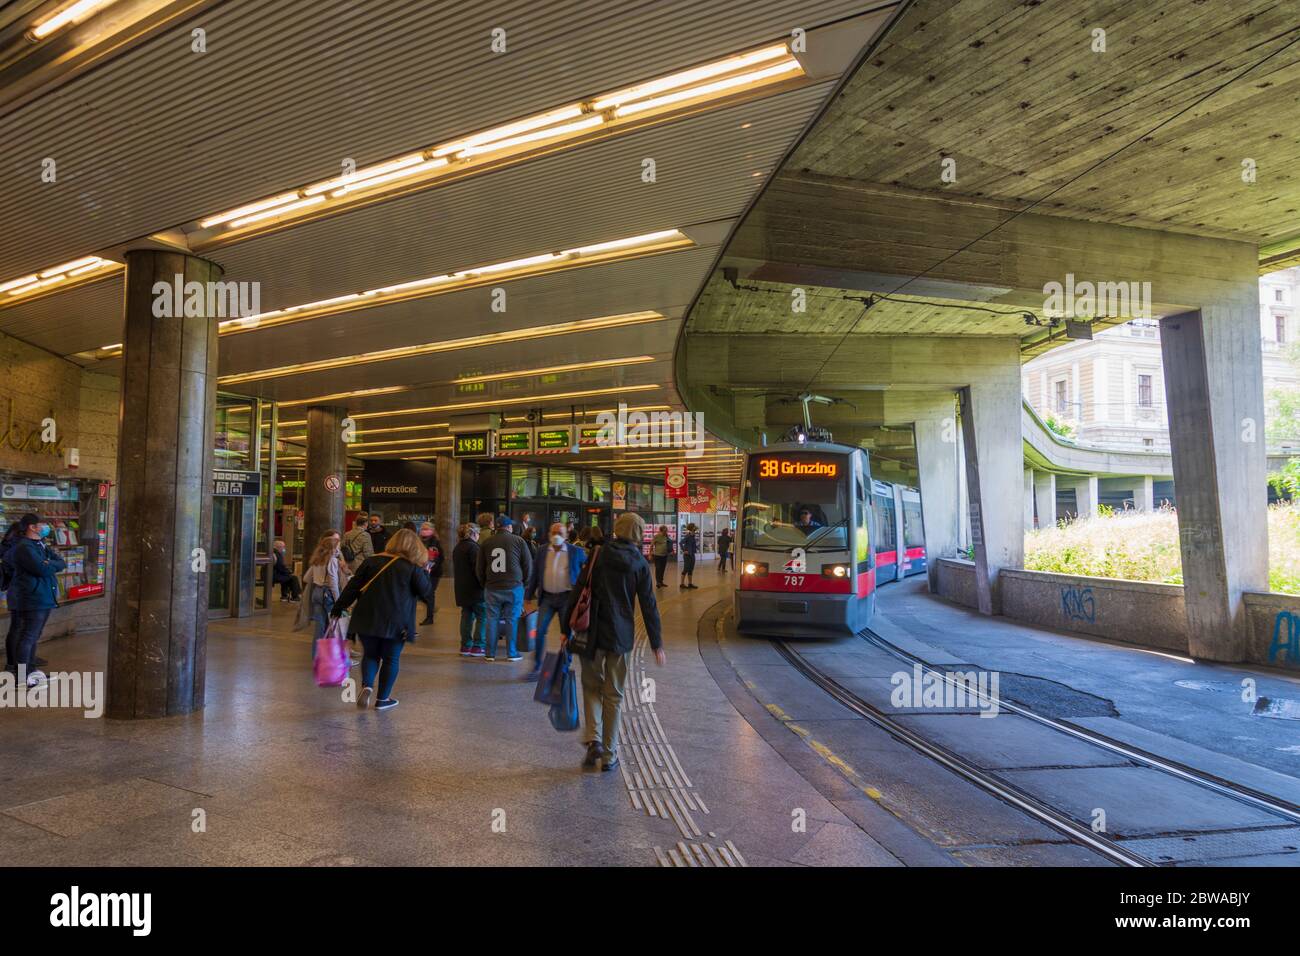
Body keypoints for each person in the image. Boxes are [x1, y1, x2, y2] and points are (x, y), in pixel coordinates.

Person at [566, 512, 664, 772]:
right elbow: (648, 605)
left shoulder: (598, 555)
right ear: (640, 534)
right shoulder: (640, 564)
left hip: (592, 633)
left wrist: (566, 626)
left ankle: (593, 740)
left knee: (591, 688)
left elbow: (578, 590)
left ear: (617, 529)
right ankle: (609, 756)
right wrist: (656, 642)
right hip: (620, 636)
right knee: (615, 695)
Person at [330, 528, 431, 711]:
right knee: (391, 659)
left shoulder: (371, 561)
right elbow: (425, 592)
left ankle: (367, 685)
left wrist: (338, 607)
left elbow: (353, 587)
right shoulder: (412, 567)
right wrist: (425, 572)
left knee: (370, 655)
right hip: (396, 620)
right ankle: (383, 699)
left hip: (367, 616)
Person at [3, 514, 66, 687]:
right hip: (32, 598)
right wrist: (48, 564)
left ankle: (31, 671)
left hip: (42, 596)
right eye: (42, 524)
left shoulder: (38, 544)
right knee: (28, 636)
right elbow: (41, 569)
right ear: (32, 527)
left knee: (33, 636)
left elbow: (60, 562)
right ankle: (22, 677)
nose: (45, 527)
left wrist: (49, 563)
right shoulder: (24, 547)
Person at [522, 522, 587, 681]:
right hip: (547, 599)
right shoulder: (543, 550)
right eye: (554, 532)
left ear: (566, 535)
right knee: (539, 631)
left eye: (560, 532)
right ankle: (537, 666)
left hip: (567, 599)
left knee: (566, 633)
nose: (556, 535)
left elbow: (587, 571)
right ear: (550, 534)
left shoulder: (576, 552)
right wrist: (528, 596)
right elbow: (536, 574)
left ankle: (564, 664)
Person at [475, 514, 533, 663]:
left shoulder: (486, 543)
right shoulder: (519, 541)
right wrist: (524, 584)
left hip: (492, 587)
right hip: (514, 586)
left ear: (497, 527)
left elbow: (479, 568)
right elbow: (528, 565)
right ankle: (512, 653)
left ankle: (490, 654)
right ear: (508, 527)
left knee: (491, 619)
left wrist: (485, 583)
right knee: (511, 620)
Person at [296, 530, 351, 656]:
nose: (339, 548)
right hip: (328, 594)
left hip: (317, 592)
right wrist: (339, 602)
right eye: (337, 545)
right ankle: (336, 657)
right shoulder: (332, 561)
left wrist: (318, 579)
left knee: (320, 626)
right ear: (332, 548)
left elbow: (305, 578)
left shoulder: (317, 560)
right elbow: (333, 583)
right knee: (335, 626)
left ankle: (317, 656)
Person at [453, 522, 486, 657]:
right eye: (478, 533)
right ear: (472, 533)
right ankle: (478, 646)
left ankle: (465, 645)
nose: (478, 535)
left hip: (462, 589)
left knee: (467, 616)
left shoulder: (458, 547)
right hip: (475, 589)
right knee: (482, 615)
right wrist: (484, 583)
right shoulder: (474, 548)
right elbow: (478, 570)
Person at [417, 521, 444, 625]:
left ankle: (429, 617)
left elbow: (435, 558)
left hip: (433, 572)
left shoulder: (434, 542)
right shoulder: (419, 540)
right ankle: (431, 607)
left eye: (426, 529)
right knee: (421, 594)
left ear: (432, 531)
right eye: (423, 528)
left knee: (429, 593)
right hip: (421, 570)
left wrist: (428, 569)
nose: (424, 531)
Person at [680, 523, 699, 589]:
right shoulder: (688, 536)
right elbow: (681, 543)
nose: (695, 529)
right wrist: (684, 550)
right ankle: (682, 584)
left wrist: (696, 547)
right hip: (687, 555)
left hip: (692, 554)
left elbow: (692, 544)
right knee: (686, 569)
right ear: (692, 528)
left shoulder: (693, 536)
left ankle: (690, 583)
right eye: (694, 528)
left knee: (691, 570)